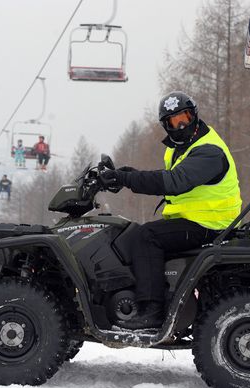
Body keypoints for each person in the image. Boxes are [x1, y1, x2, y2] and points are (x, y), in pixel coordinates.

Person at [100, 91, 242, 330]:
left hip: (211, 224)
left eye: (184, 117)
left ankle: (152, 310)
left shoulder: (209, 150)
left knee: (146, 237)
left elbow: (174, 181)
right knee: (131, 232)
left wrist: (125, 179)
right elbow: (169, 180)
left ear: (194, 114)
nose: (181, 125)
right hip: (197, 221)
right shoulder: (184, 147)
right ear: (166, 126)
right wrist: (128, 174)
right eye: (174, 121)